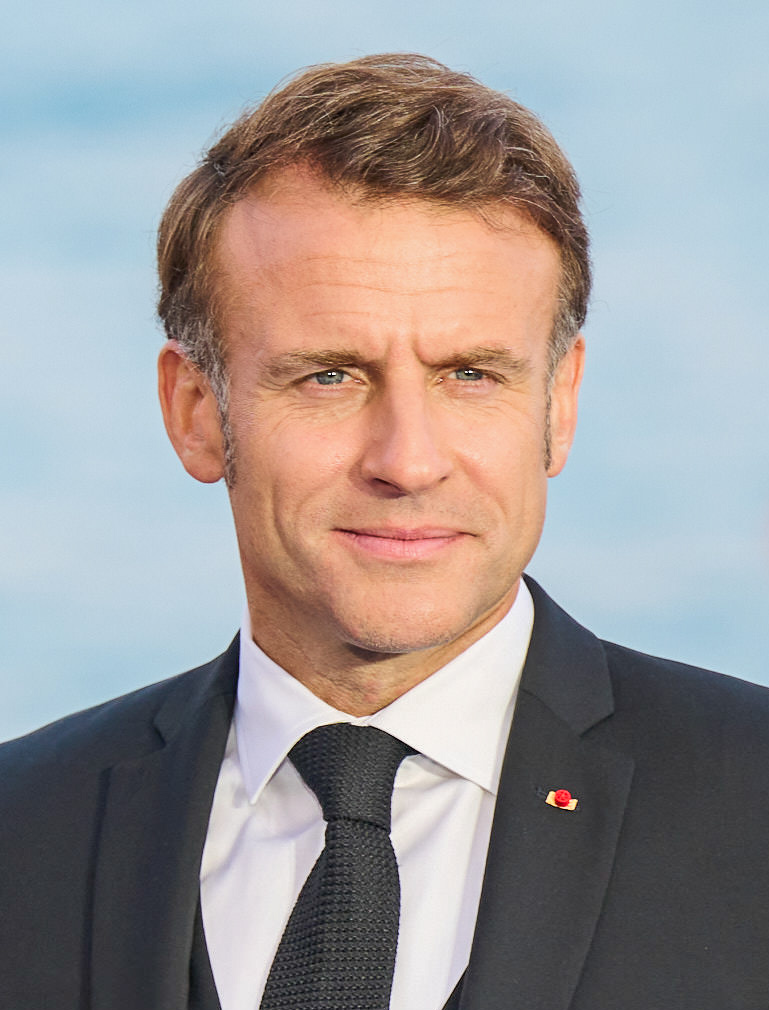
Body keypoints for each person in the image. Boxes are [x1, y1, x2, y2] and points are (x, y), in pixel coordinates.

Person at [1, 53, 768, 1010]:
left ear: (558, 405)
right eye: (329, 376)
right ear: (195, 411)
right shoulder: (22, 830)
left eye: (470, 376)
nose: (407, 461)